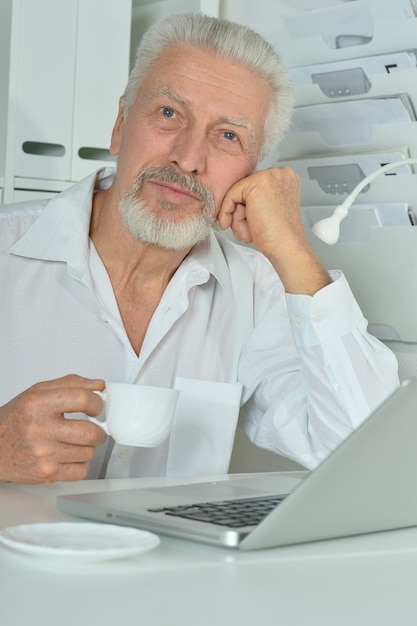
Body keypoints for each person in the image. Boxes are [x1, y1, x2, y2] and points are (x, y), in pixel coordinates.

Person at [0, 13, 399, 485]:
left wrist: (293, 249)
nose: (188, 159)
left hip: (174, 561)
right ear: (120, 124)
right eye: (169, 113)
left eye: (228, 135)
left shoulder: (258, 291)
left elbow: (365, 453)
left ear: (252, 173)